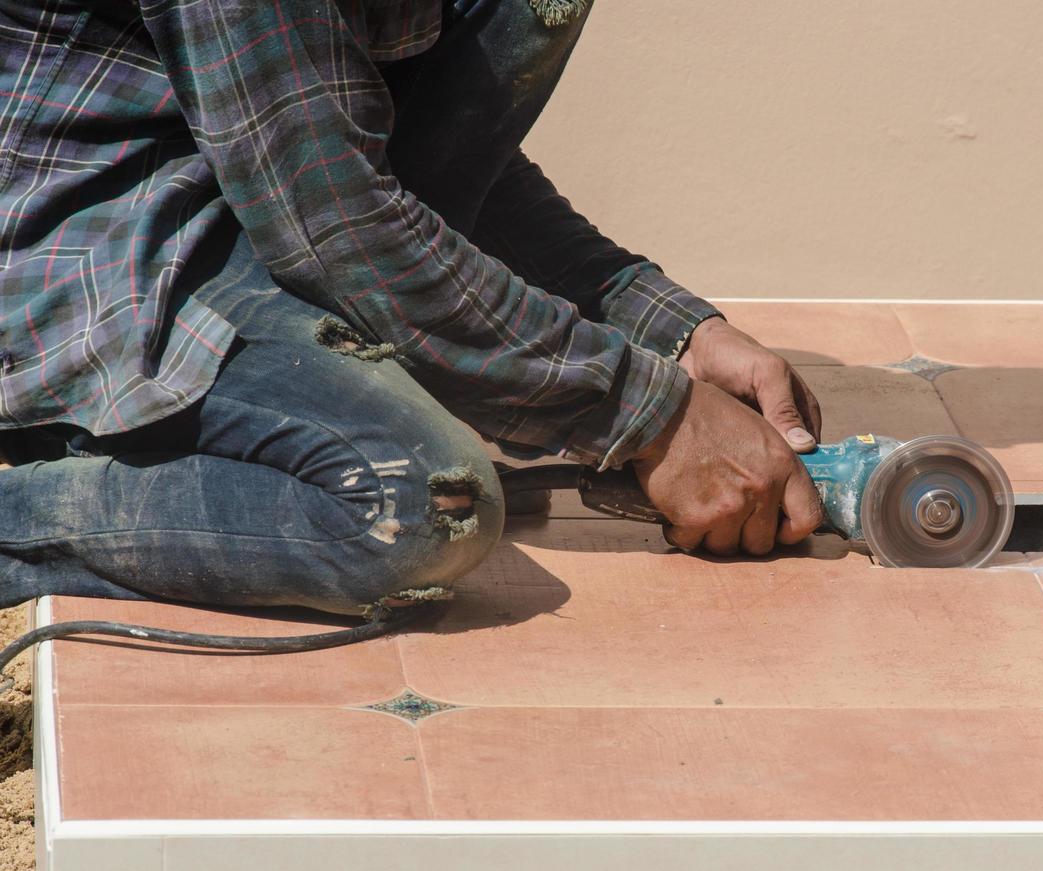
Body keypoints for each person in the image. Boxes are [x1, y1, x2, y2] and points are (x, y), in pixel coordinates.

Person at [0, 0, 825, 618]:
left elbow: (406, 145)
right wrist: (651, 417)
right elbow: (334, 219)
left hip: (247, 204)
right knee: (417, 503)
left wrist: (669, 328)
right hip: (80, 256)